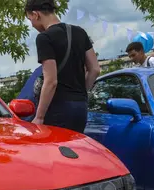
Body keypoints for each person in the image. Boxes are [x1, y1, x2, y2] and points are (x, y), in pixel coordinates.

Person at [25, 0, 100, 133]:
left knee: (55, 151)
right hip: (80, 109)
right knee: (75, 150)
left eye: (30, 19)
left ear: (36, 14)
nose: (32, 25)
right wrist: (81, 93)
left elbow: (51, 81)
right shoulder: (80, 32)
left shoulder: (44, 38)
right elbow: (94, 69)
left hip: (58, 109)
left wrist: (39, 117)